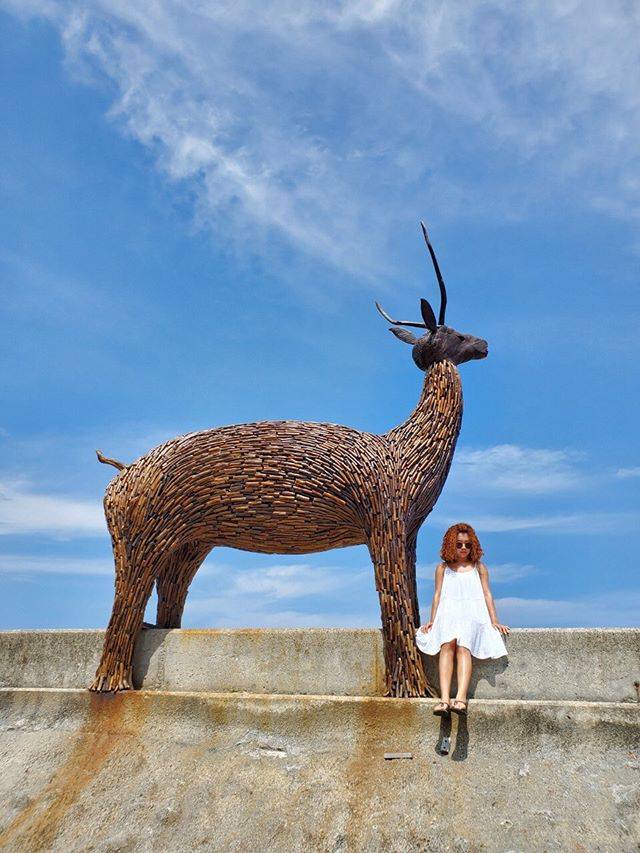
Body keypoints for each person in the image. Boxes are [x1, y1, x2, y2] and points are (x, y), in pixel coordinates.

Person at [416, 522, 509, 716]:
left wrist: (494, 620)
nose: (464, 548)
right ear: (451, 545)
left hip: (472, 613)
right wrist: (433, 620)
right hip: (448, 612)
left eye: (467, 544)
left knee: (464, 648)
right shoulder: (442, 568)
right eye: (459, 544)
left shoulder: (479, 568)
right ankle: (444, 700)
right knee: (446, 646)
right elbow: (437, 595)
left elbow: (487, 594)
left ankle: (460, 699)